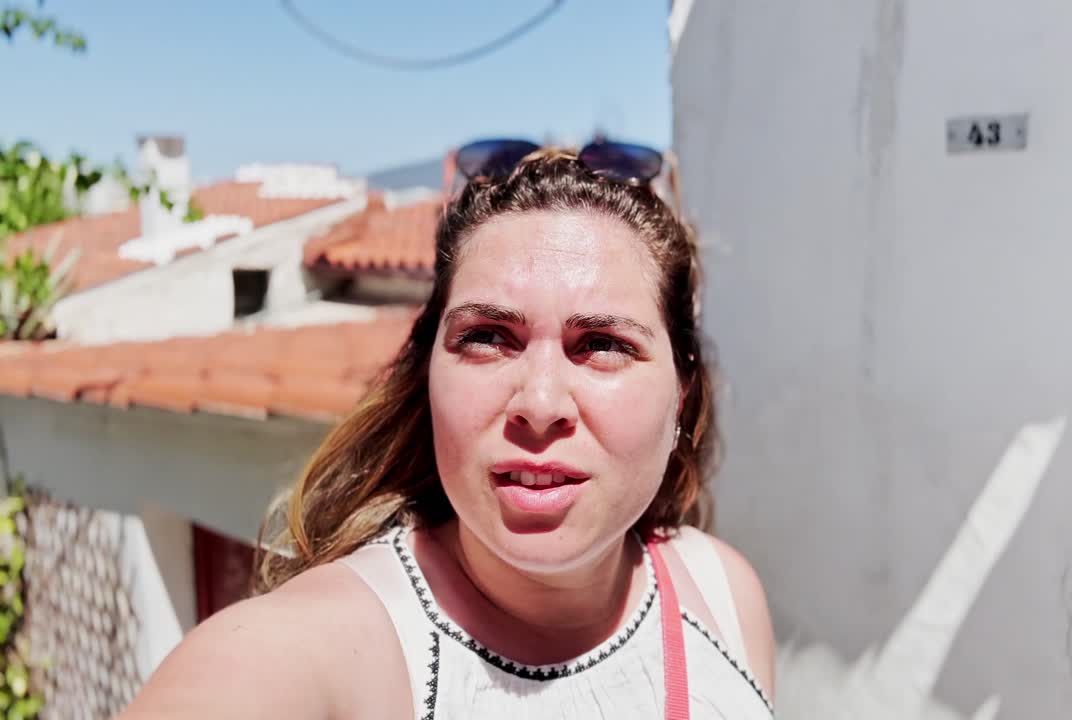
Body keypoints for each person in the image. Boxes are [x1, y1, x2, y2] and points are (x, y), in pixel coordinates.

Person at [119, 140, 776, 719]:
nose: (541, 402)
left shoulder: (723, 591)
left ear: (681, 394)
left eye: (602, 343)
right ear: (427, 372)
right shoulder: (335, 645)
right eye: (488, 337)